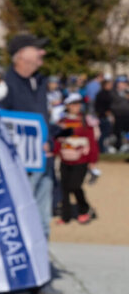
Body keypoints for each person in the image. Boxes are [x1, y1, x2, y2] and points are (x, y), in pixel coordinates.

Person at [0, 33, 62, 294]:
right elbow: (2, 123)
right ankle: (18, 279)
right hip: (18, 167)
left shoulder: (41, 81)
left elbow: (39, 120)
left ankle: (40, 277)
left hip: (43, 164)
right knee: (19, 221)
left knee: (42, 222)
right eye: (38, 50)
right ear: (21, 54)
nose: (42, 54)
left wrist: (54, 134)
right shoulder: (5, 84)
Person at [55, 94, 98, 224]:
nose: (76, 107)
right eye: (73, 104)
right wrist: (55, 152)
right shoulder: (62, 122)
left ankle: (84, 209)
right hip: (65, 160)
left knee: (75, 186)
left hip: (81, 161)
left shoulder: (86, 121)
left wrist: (92, 161)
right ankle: (66, 216)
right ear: (67, 106)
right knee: (64, 188)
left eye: (78, 104)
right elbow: (57, 140)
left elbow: (92, 141)